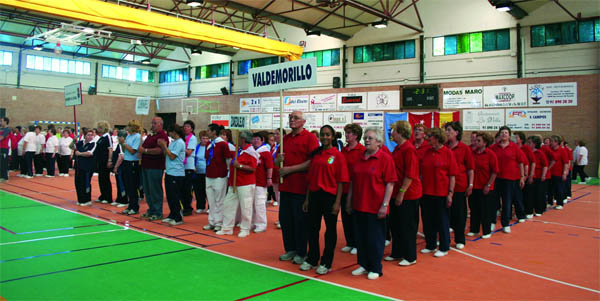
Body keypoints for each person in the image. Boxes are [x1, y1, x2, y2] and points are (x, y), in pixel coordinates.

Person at [346, 127, 397, 280]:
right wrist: (349, 201)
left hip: (375, 206)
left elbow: (390, 184)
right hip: (359, 205)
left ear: (379, 142)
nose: (367, 140)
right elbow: (353, 182)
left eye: (370, 138)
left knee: (375, 238)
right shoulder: (359, 158)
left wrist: (385, 205)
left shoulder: (385, 159)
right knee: (361, 237)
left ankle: (375, 267)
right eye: (366, 138)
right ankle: (363, 264)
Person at [301, 125, 349, 275]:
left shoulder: (338, 156)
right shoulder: (316, 155)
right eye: (322, 135)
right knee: (312, 229)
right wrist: (307, 199)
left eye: (328, 135)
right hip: (314, 196)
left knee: (330, 231)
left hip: (330, 197)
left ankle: (326, 262)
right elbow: (310, 179)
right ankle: (312, 258)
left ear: (333, 137)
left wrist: (337, 202)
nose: (325, 137)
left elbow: (341, 181)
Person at [275, 111, 320, 264]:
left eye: (296, 118)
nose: (292, 120)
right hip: (285, 187)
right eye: (290, 118)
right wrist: (277, 160)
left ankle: (302, 252)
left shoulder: (310, 138)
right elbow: (277, 163)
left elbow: (312, 162)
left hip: (301, 188)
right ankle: (290, 249)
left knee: (300, 222)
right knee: (286, 221)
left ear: (303, 121)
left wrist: (290, 169)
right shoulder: (285, 139)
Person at [387, 121, 422, 266]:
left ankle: (410, 256)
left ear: (401, 133)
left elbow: (410, 174)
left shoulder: (409, 149)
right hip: (396, 193)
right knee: (396, 225)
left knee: (407, 226)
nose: (392, 133)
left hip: (408, 194)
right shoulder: (397, 149)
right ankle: (397, 252)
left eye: (394, 131)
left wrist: (402, 192)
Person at [420, 127, 458, 257]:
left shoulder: (448, 153)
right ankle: (430, 244)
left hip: (441, 193)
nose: (427, 138)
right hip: (426, 192)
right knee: (427, 220)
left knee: (442, 221)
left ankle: (444, 246)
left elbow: (452, 175)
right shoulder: (426, 152)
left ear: (437, 138)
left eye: (430, 136)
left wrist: (450, 194)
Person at [217, 130, 258, 237]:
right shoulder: (238, 150)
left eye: (239, 137)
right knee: (228, 205)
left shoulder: (250, 151)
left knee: (246, 207)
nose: (237, 139)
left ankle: (245, 228)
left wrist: (239, 166)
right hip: (234, 182)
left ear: (243, 139)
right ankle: (226, 228)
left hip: (245, 183)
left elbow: (253, 168)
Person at [490, 126, 527, 233]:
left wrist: (522, 177)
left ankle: (505, 223)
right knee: (494, 202)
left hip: (510, 179)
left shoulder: (514, 147)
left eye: (506, 133)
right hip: (496, 178)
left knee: (507, 202)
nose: (504, 134)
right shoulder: (493, 148)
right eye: (502, 132)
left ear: (509, 135)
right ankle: (492, 222)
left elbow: (521, 162)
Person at [444, 121, 474, 250]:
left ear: (456, 132)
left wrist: (470, 184)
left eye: (449, 130)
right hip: (444, 186)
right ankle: (444, 239)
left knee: (459, 214)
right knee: (445, 214)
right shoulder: (443, 147)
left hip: (460, 185)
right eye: (446, 130)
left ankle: (460, 239)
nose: (446, 132)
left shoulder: (464, 148)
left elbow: (470, 168)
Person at [340, 123, 365, 255]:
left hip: (356, 189)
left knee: (356, 217)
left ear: (356, 135)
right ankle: (349, 242)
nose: (347, 135)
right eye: (346, 132)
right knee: (345, 216)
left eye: (349, 133)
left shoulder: (362, 151)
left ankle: (357, 243)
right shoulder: (343, 150)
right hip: (343, 188)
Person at [203, 124, 233, 231]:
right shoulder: (208, 144)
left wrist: (227, 173)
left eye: (208, 130)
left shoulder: (223, 144)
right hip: (209, 175)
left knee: (219, 200)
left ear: (214, 132)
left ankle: (219, 222)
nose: (207, 132)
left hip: (220, 176)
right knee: (211, 200)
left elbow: (228, 160)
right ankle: (211, 221)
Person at [468, 132, 498, 239]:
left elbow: (494, 172)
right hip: (474, 185)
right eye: (476, 140)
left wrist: (488, 185)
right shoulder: (473, 153)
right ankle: (474, 229)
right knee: (474, 208)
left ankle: (486, 231)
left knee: (485, 210)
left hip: (485, 186)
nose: (476, 142)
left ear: (485, 143)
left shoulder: (490, 154)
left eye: (479, 140)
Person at [139, 117, 169, 220]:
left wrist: (145, 150)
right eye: (152, 123)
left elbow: (159, 150)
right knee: (147, 190)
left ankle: (158, 211)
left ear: (160, 124)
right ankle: (151, 209)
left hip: (155, 167)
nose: (152, 125)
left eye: (154, 123)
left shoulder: (162, 136)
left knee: (155, 189)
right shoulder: (151, 135)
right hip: (146, 165)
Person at [158, 124, 186, 226]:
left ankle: (178, 217)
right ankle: (172, 214)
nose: (169, 134)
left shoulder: (180, 143)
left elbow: (172, 156)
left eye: (170, 132)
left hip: (177, 173)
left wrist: (164, 146)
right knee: (170, 196)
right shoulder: (173, 142)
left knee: (175, 196)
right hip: (170, 172)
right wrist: (164, 147)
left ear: (174, 132)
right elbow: (167, 154)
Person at [251, 132, 273, 233]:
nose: (255, 141)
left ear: (262, 140)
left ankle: (261, 224)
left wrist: (269, 178)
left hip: (261, 182)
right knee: (251, 204)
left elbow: (269, 167)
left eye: (258, 139)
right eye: (254, 139)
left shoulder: (265, 152)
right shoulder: (250, 151)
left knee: (259, 203)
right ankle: (252, 222)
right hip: (250, 182)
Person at [119, 120, 142, 214]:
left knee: (133, 185)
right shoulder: (128, 136)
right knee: (127, 185)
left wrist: (124, 143)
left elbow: (133, 151)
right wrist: (122, 144)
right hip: (126, 161)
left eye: (129, 126)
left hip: (133, 162)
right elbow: (125, 150)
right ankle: (130, 205)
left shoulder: (137, 137)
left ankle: (134, 206)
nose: (127, 127)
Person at [515, 131, 536, 219]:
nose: (514, 139)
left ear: (521, 139)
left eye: (516, 137)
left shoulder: (526, 148)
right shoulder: (513, 147)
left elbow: (533, 162)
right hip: (516, 175)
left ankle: (529, 211)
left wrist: (530, 175)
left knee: (527, 194)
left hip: (525, 174)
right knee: (517, 196)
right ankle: (519, 211)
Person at [526, 135, 548, 216]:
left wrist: (543, 175)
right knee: (529, 195)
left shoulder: (540, 153)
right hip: (528, 176)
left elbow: (545, 165)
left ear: (535, 144)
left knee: (538, 194)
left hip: (538, 176)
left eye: (530, 143)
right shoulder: (526, 152)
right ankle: (529, 211)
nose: (527, 144)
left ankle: (539, 210)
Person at [74, 130, 96, 206]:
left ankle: (87, 200)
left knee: (86, 183)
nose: (90, 137)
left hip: (87, 167)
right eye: (88, 135)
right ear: (84, 136)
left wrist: (79, 153)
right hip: (78, 167)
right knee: (78, 183)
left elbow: (89, 153)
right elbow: (71, 147)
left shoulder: (93, 144)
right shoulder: (80, 143)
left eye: (91, 135)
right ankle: (80, 199)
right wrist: (73, 141)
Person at [93, 121, 113, 203]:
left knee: (105, 179)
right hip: (100, 161)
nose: (97, 129)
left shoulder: (107, 136)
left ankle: (108, 197)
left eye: (99, 127)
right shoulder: (101, 137)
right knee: (101, 178)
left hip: (105, 161)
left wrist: (109, 160)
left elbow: (110, 149)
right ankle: (103, 195)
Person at [180, 120, 198, 216]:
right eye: (185, 126)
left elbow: (189, 152)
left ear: (191, 129)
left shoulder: (192, 138)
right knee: (181, 188)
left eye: (188, 126)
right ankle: (183, 206)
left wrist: (179, 148)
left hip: (188, 166)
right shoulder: (182, 138)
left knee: (187, 189)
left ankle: (188, 208)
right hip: (181, 166)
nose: (185, 128)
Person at [549, 135, 569, 210]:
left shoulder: (562, 150)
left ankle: (560, 203)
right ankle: (550, 202)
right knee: (550, 189)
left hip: (558, 173)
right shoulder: (550, 150)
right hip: (550, 173)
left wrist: (564, 173)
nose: (550, 143)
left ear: (556, 142)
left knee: (559, 189)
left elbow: (566, 163)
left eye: (552, 141)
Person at [193, 130, 209, 214]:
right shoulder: (197, 147)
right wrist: (194, 166)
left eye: (207, 138)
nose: (205, 140)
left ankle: (210, 207)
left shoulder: (210, 147)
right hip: (198, 172)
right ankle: (200, 206)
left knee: (208, 191)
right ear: (200, 139)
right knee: (199, 190)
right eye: (203, 138)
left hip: (208, 172)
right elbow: (194, 158)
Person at [111, 130, 128, 207]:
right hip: (120, 167)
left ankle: (124, 200)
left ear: (122, 137)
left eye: (119, 137)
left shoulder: (123, 145)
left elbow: (121, 157)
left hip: (122, 167)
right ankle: (119, 198)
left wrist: (116, 167)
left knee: (122, 183)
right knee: (118, 183)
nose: (117, 138)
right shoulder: (119, 144)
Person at [0, 117, 11, 182]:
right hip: (0, 147)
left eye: (1, 121)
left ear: (5, 122)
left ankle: (5, 177)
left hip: (4, 148)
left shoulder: (7, 129)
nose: (0, 122)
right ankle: (1, 176)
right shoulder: (1, 129)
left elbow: (1, 137)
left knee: (4, 163)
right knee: (0, 163)